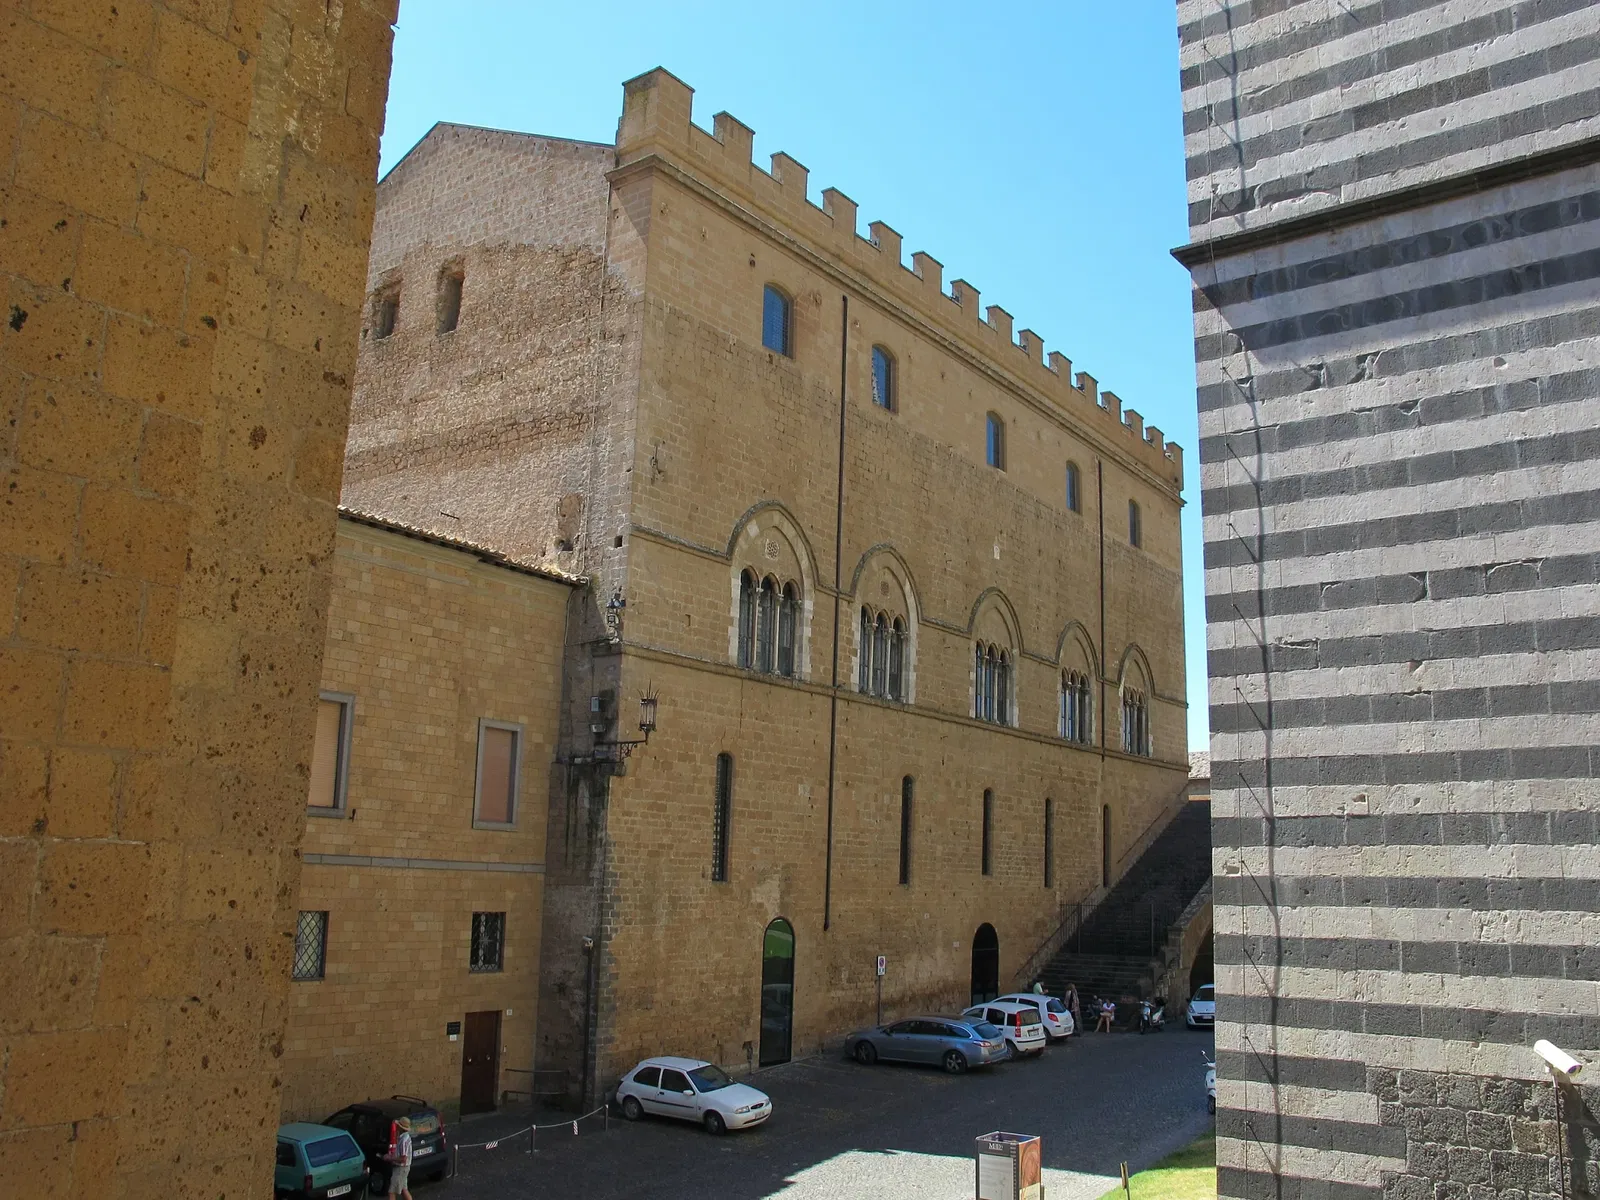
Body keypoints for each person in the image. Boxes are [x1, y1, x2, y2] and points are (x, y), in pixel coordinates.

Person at [385, 1115, 414, 1200]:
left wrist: (390, 1158)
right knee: (404, 1189)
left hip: (401, 1169)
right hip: (404, 1168)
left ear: (401, 1127)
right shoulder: (406, 1137)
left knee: (392, 1192)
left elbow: (403, 1159)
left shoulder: (403, 1140)